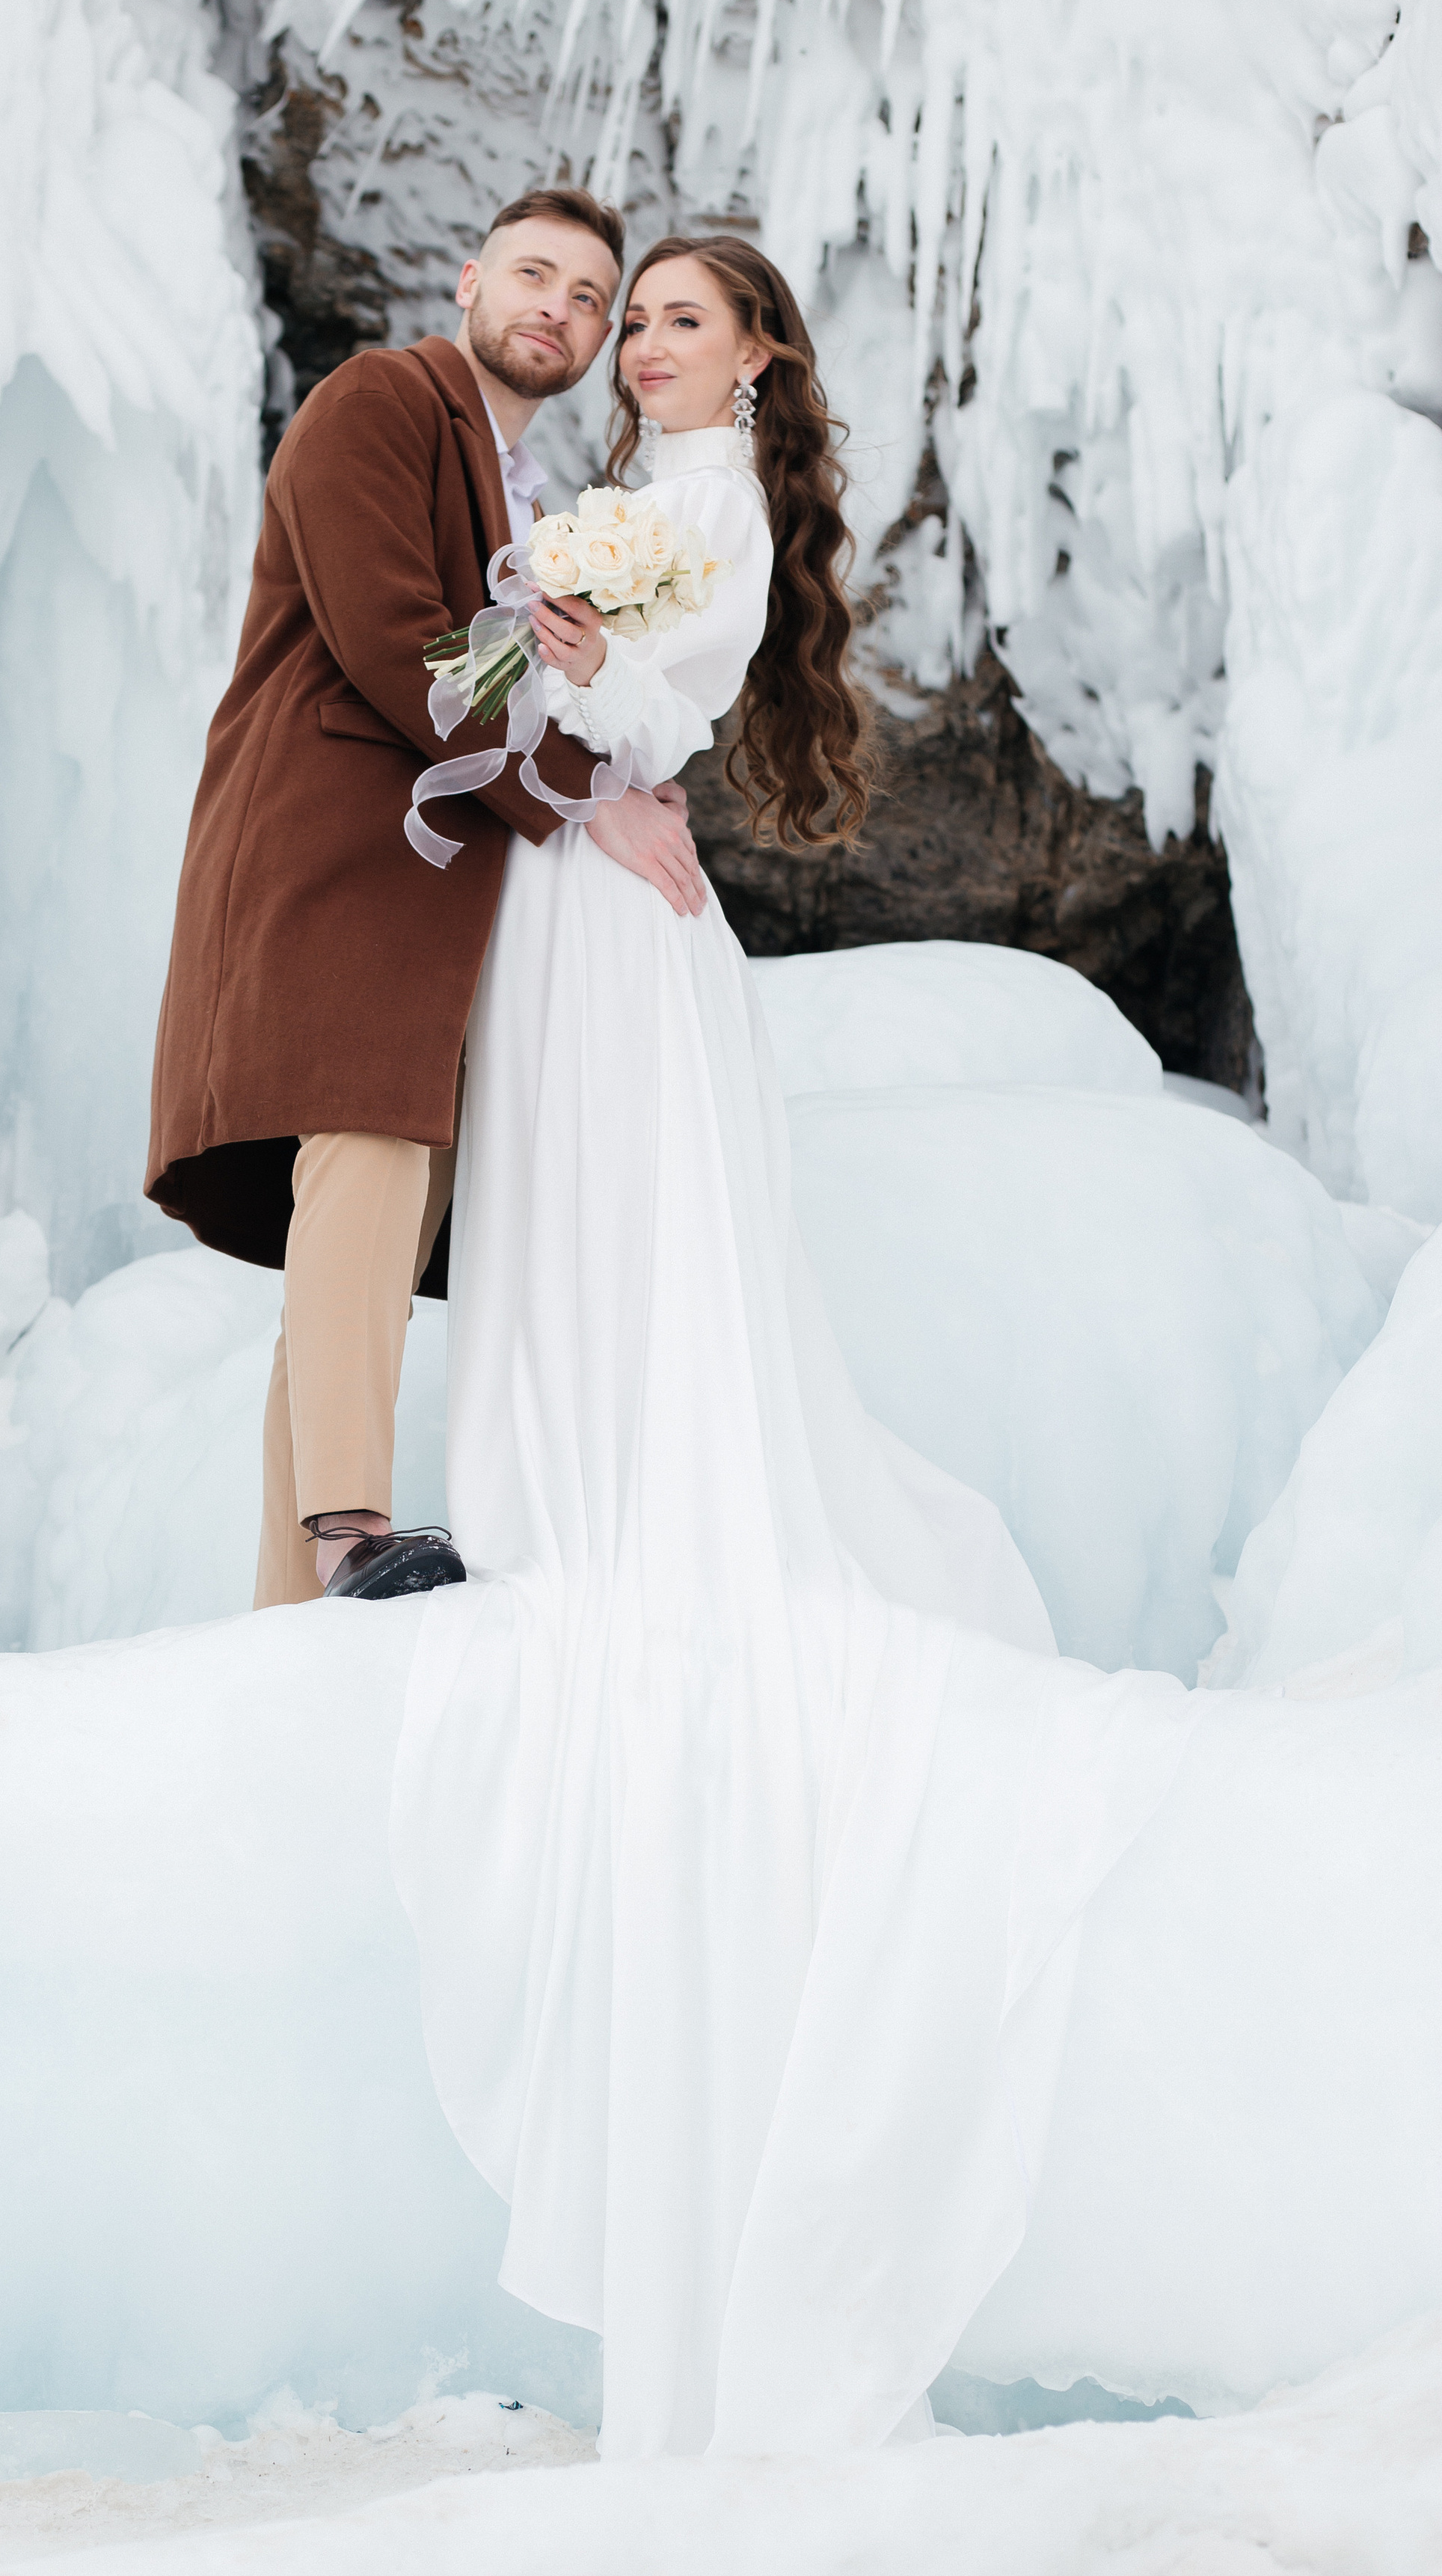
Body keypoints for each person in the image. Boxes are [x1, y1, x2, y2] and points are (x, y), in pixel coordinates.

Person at [388, 235, 1197, 2457]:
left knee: (619, 1218)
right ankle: (552, 1485)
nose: (646, 338)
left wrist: (568, 688)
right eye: (628, 313)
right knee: (554, 1210)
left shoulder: (710, 502)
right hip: (559, 893)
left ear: (755, 352)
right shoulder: (600, 499)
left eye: (682, 314)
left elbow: (644, 708)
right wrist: (520, 656)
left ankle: (626, 1500)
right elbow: (485, 687)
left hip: (609, 899)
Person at [144, 185, 703, 1607]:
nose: (560, 312)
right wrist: (587, 794)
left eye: (591, 301)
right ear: (467, 281)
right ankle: (348, 1534)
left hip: (436, 891)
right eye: (535, 275)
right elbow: (403, 648)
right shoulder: (379, 403)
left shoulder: (530, 496)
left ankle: (295, 1598)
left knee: (377, 1218)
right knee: (372, 1155)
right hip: (337, 851)